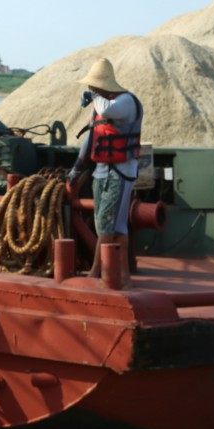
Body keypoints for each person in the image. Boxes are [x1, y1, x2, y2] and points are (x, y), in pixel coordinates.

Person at [68, 58, 143, 287]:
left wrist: (93, 96)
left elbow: (106, 109)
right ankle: (124, 276)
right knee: (113, 226)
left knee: (108, 225)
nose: (91, 89)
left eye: (94, 85)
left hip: (120, 173)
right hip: (101, 173)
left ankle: (96, 273)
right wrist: (75, 171)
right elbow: (91, 137)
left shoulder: (126, 101)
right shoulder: (100, 105)